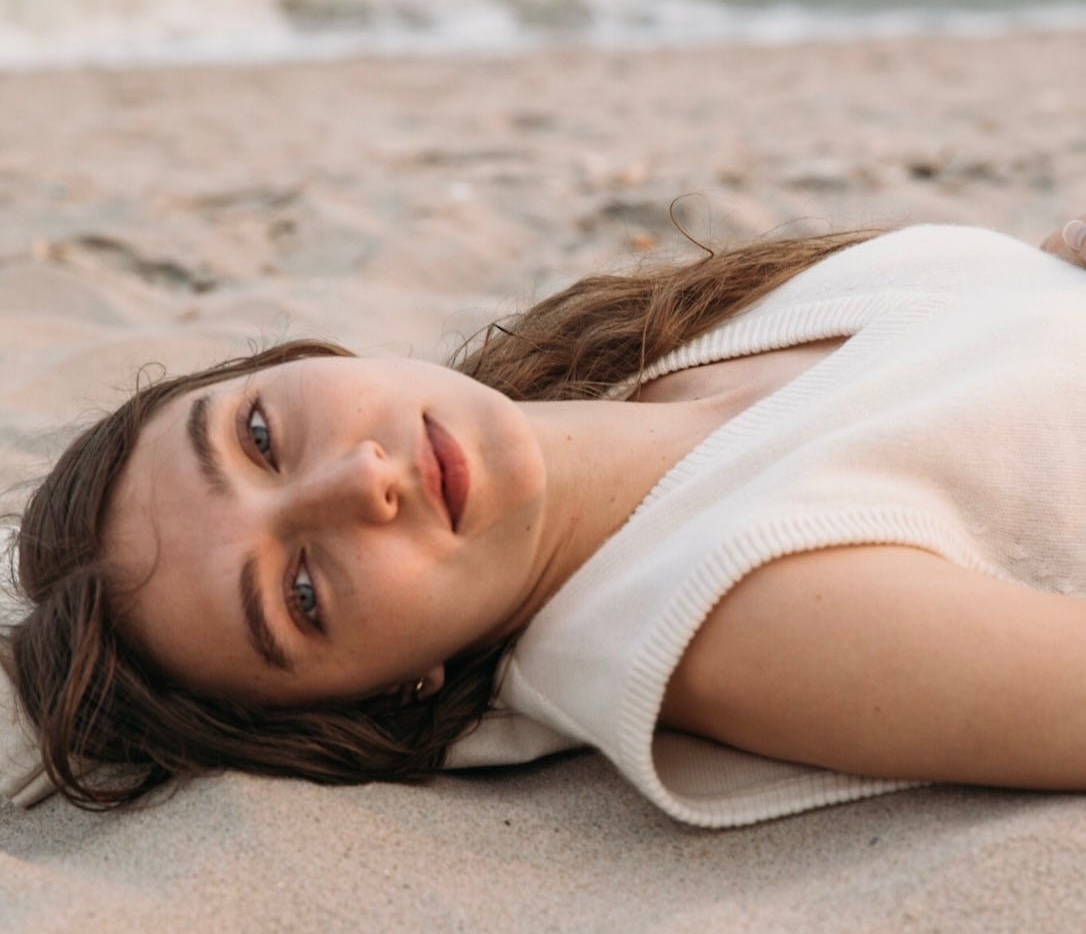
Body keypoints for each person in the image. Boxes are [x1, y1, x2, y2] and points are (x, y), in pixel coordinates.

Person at [4, 214, 1086, 826]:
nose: (360, 484)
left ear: (296, 364)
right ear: (392, 689)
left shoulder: (641, 349)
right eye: (300, 592)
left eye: (258, 438)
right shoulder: (723, 614)